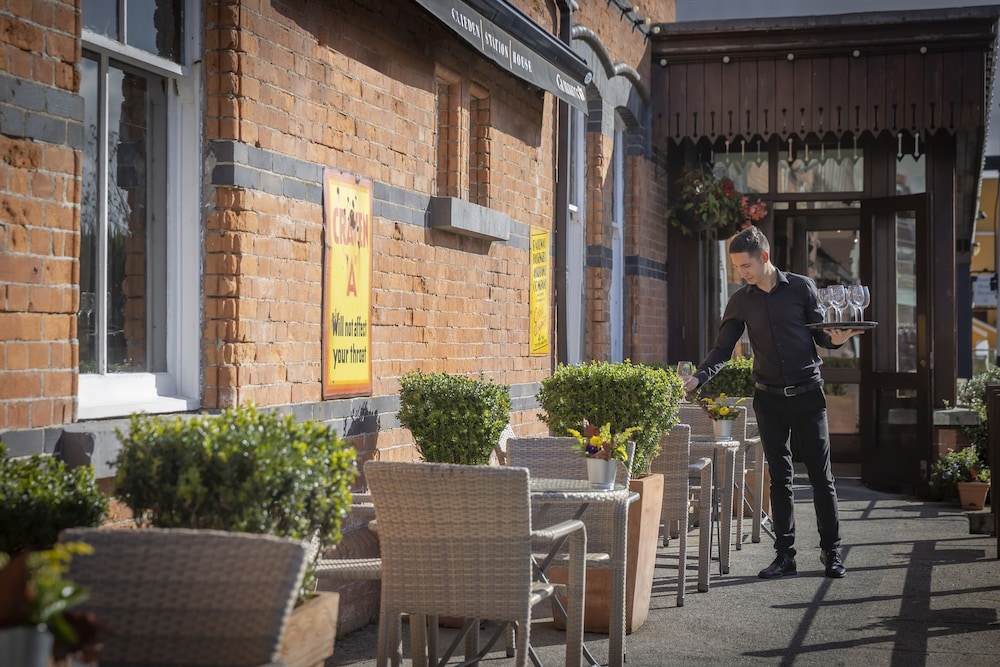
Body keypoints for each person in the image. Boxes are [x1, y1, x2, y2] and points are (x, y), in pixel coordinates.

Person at [682, 226, 864, 580]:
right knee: (779, 479)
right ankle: (785, 556)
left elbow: (821, 334)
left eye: (746, 266)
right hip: (768, 399)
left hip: (808, 395)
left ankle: (832, 552)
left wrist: (837, 340)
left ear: (764, 257)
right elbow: (723, 349)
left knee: (821, 477)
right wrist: (698, 377)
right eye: (737, 268)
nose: (742, 274)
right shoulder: (741, 300)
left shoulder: (801, 288)